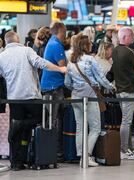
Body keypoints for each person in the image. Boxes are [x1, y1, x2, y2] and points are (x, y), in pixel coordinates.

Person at [0, 31, 66, 171]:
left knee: (17, 134)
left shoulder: (2, 56)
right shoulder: (26, 51)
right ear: (17, 39)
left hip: (14, 99)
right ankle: (23, 130)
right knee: (43, 118)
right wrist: (59, 68)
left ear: (6, 42)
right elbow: (41, 63)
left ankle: (16, 163)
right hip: (31, 97)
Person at [64, 34, 113, 167]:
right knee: (95, 128)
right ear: (86, 45)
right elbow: (101, 78)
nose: (92, 44)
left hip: (76, 97)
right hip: (90, 96)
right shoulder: (90, 60)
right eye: (90, 43)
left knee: (80, 127)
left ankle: (81, 155)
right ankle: (87, 156)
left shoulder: (71, 61)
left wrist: (77, 88)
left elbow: (67, 83)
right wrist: (111, 86)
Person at [110, 27, 134, 160]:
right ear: (125, 37)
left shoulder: (115, 51)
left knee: (125, 121)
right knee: (126, 121)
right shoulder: (130, 52)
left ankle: (128, 148)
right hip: (129, 90)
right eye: (131, 36)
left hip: (119, 90)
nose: (132, 38)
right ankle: (124, 150)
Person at [40, 22, 67, 161]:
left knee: (50, 119)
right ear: (59, 31)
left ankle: (52, 151)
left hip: (48, 86)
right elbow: (64, 67)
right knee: (54, 121)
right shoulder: (56, 45)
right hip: (54, 87)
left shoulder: (51, 42)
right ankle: (55, 152)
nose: (66, 35)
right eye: (65, 32)